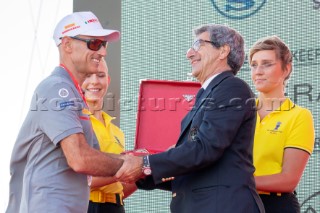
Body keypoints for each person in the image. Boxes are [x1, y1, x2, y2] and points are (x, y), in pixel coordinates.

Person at [116, 24, 265, 213]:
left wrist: (145, 164)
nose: (189, 53)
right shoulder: (208, 94)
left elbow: (204, 150)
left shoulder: (232, 88)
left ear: (223, 51)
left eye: (198, 44)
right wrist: (143, 174)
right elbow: (195, 169)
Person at [6, 11, 125, 213]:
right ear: (68, 45)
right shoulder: (57, 88)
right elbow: (80, 159)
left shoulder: (71, 93)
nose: (102, 52)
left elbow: (87, 168)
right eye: (94, 43)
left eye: (103, 44)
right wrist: (134, 163)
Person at [249, 36, 315, 213]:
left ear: (286, 69)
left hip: (276, 206)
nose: (258, 71)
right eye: (254, 65)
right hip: (236, 202)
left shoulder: (299, 116)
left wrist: (237, 181)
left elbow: (288, 180)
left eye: (267, 64)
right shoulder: (240, 112)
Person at [83, 58, 137, 213]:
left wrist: (141, 172)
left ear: (108, 80)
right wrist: (125, 169)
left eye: (100, 75)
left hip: (115, 207)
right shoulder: (73, 124)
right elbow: (80, 180)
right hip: (85, 206)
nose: (94, 82)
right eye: (87, 75)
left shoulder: (117, 131)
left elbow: (118, 190)